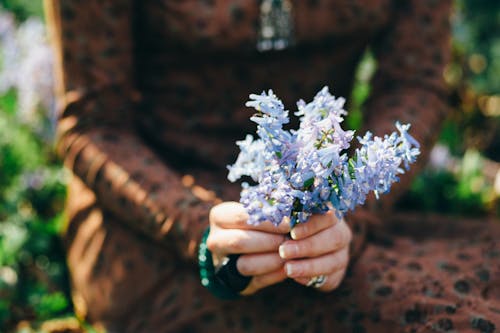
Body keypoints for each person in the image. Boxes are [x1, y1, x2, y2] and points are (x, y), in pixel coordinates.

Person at [44, 0, 500, 332]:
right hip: (152, 229)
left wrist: (345, 210)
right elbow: (94, 126)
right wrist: (198, 230)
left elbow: (413, 86)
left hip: (324, 211)